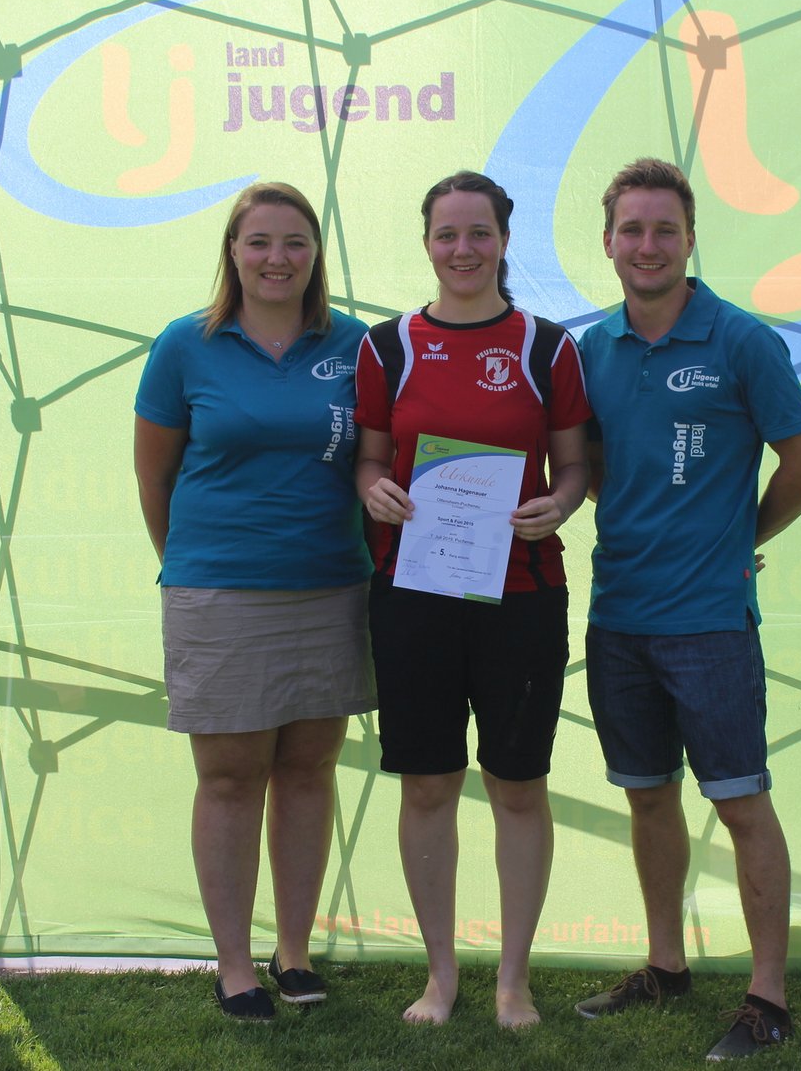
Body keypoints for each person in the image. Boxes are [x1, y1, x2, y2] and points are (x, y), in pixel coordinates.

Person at [573, 158, 801, 1061]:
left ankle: (768, 999)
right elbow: (590, 468)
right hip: (618, 617)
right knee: (648, 798)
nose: (647, 245)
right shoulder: (590, 350)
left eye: (664, 230)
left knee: (741, 804)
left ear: (690, 239)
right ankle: (666, 965)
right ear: (608, 242)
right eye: (631, 230)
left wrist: (735, 536)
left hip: (711, 624)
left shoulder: (742, 341)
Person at [353, 170, 591, 1028]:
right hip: (414, 593)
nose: (463, 249)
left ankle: (513, 981)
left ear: (504, 241)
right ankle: (441, 976)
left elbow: (574, 465)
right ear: (427, 243)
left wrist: (558, 505)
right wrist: (374, 488)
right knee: (427, 785)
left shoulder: (546, 348)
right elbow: (369, 458)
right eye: (447, 234)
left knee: (517, 784)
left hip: (522, 595)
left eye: (479, 232)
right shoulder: (388, 346)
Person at [134, 182, 374, 1021]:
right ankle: (234, 966)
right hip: (221, 593)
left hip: (331, 587)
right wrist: (194, 566)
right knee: (232, 778)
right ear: (232, 252)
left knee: (308, 772)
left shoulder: (356, 346)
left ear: (316, 254)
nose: (278, 258)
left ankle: (294, 952)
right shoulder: (185, 346)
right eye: (260, 242)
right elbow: (154, 476)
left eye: (295, 242)